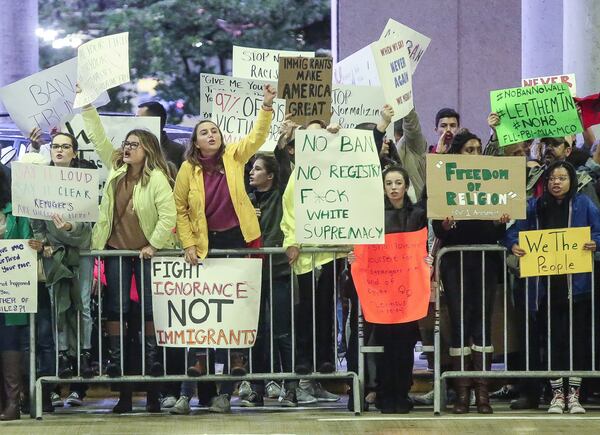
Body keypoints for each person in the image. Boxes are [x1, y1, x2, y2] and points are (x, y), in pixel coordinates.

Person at [173, 84, 276, 414]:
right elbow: (180, 209)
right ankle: (186, 395)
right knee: (201, 317)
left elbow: (257, 138)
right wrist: (188, 243)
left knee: (231, 315)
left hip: (237, 239)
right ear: (196, 141)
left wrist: (266, 106)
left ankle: (225, 395)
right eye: (204, 132)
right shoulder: (188, 169)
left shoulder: (235, 156)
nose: (211, 134)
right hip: (205, 244)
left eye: (214, 130)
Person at [81, 100, 177, 413]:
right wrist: (86, 106)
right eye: (126, 144)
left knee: (149, 314)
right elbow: (97, 136)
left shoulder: (158, 179)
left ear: (147, 149)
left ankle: (151, 393)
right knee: (116, 313)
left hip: (146, 257)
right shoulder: (116, 171)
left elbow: (168, 216)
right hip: (116, 252)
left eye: (134, 145)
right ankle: (122, 390)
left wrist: (153, 244)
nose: (127, 148)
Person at [505, 160, 600, 414]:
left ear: (572, 181)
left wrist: (594, 243)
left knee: (577, 343)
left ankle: (575, 395)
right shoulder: (535, 207)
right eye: (552, 179)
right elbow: (513, 232)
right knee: (552, 341)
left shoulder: (584, 204)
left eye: (562, 178)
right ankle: (557, 395)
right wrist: (513, 243)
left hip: (577, 288)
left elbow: (599, 233)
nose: (556, 182)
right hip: (544, 289)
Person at [432, 130, 509, 414]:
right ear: (458, 153)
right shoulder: (446, 181)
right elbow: (437, 227)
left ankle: (483, 392)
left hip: (485, 261)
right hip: (456, 262)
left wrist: (502, 222)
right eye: (469, 149)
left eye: (477, 149)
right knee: (460, 324)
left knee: (483, 324)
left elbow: (496, 230)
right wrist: (446, 225)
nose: (474, 153)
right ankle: (461, 394)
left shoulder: (491, 179)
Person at [27, 132, 96, 410]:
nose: (59, 150)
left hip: (81, 252)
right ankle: (65, 356)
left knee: (82, 306)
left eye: (65, 146)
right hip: (54, 255)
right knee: (59, 307)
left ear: (74, 152)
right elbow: (37, 221)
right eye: (55, 146)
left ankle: (85, 354)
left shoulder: (84, 181)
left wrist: (69, 228)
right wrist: (42, 241)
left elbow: (89, 228)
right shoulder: (41, 181)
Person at [349, 165, 427, 413]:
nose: (394, 188)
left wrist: (428, 261)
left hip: (408, 288)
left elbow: (425, 245)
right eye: (389, 183)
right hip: (380, 289)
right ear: (383, 187)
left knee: (405, 343)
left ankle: (402, 393)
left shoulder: (417, 214)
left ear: (406, 186)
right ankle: (384, 393)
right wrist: (356, 258)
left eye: (398, 183)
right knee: (383, 342)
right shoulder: (372, 215)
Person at [236, 154, 298, 407]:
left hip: (278, 270)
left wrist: (284, 142)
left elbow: (284, 163)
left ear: (271, 175)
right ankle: (257, 389)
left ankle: (291, 389)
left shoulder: (282, 196)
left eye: (258, 169)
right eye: (251, 168)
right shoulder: (246, 200)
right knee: (256, 334)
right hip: (252, 272)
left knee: (283, 332)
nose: (252, 173)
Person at [0, 167, 32, 421]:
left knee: (10, 341)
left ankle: (14, 402)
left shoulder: (16, 212)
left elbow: (26, 241)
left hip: (11, 286)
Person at [137, 101, 186, 169]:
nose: (135, 122)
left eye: (138, 119)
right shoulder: (130, 147)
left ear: (153, 122)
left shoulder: (178, 151)